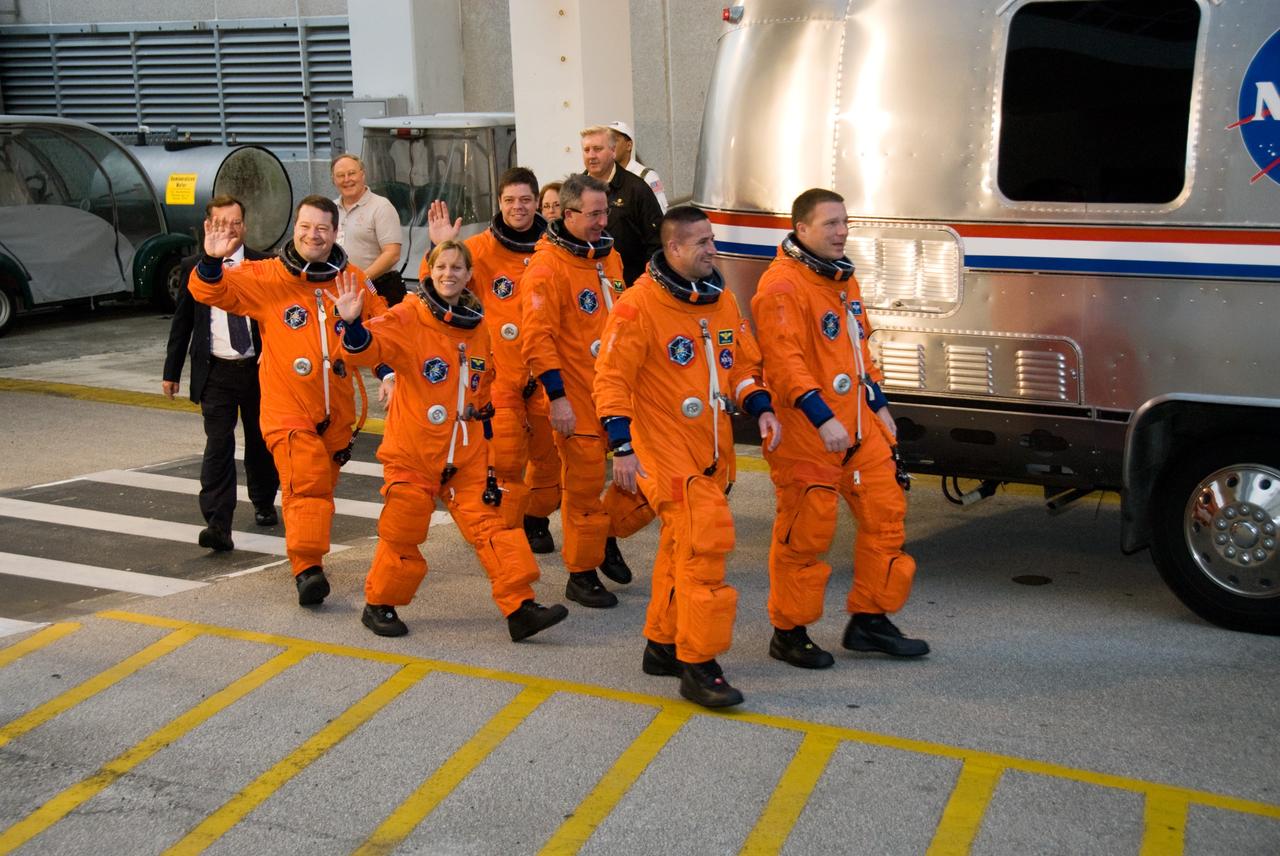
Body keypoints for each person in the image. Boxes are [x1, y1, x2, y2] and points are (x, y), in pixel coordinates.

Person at [334, 240, 569, 641]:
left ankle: (520, 607)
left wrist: (490, 450)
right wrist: (353, 323)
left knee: (493, 528)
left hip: (467, 453)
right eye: (441, 266)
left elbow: (483, 392)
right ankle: (380, 605)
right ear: (430, 271)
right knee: (404, 529)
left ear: (468, 274)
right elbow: (366, 350)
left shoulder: (478, 327)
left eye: (457, 267)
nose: (449, 274)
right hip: (415, 451)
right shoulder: (410, 315)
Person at [594, 206, 781, 708]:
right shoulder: (638, 307)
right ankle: (699, 664)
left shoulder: (719, 302)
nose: (710, 249)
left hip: (710, 447)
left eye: (711, 239)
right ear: (672, 248)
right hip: (662, 446)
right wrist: (623, 448)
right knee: (705, 540)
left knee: (682, 547)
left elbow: (739, 364)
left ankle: (662, 643)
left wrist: (758, 405)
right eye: (699, 242)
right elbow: (611, 380)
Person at [751, 188, 928, 667]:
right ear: (801, 229)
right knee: (806, 531)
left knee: (886, 513)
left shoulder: (842, 280)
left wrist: (878, 403)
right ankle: (789, 631)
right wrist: (822, 416)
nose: (841, 231)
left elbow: (858, 347)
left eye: (844, 222)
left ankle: (870, 619)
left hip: (857, 424)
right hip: (809, 431)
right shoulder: (782, 287)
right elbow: (784, 363)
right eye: (830, 223)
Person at [189, 194, 391, 607]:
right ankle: (307, 569)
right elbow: (213, 292)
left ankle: (309, 555)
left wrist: (386, 372)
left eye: (321, 228)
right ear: (294, 229)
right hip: (288, 409)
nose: (311, 235)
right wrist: (210, 262)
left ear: (336, 233)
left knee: (320, 493)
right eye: (304, 227)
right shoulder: (267, 277)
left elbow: (382, 332)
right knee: (306, 484)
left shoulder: (352, 279)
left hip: (337, 413)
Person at [521, 173, 655, 609]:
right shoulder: (547, 267)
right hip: (575, 397)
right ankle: (580, 574)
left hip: (617, 392)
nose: (603, 221)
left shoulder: (608, 257)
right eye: (595, 214)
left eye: (606, 212)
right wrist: (556, 398)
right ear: (568, 213)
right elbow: (536, 339)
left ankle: (605, 538)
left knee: (640, 480)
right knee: (581, 489)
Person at [422, 168, 564, 555]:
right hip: (500, 374)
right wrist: (440, 247)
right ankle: (508, 530)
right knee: (505, 459)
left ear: (537, 203)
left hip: (547, 371)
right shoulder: (479, 249)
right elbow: (436, 287)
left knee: (551, 459)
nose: (517, 208)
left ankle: (537, 517)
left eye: (525, 200)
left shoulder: (555, 250)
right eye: (509, 201)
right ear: (498, 204)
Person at [163, 194, 279, 552]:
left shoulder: (265, 264)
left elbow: (277, 318)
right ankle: (217, 523)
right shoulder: (194, 266)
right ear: (207, 227)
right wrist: (172, 371)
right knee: (218, 445)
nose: (229, 229)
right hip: (215, 370)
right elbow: (183, 322)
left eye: (235, 223)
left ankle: (262, 501)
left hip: (258, 371)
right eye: (221, 223)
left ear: (244, 226)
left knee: (261, 443)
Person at [580, 125, 662, 287]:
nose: (591, 156)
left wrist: (645, 285)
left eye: (597, 149)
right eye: (586, 150)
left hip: (630, 285)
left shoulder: (637, 189)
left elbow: (656, 243)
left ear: (612, 151)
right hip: (585, 285)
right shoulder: (574, 190)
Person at [332, 153, 405, 305]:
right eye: (340, 175)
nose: (347, 179)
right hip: (340, 289)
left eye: (352, 173)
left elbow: (392, 254)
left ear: (363, 174)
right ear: (334, 180)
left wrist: (362, 279)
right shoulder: (330, 210)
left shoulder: (381, 207)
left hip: (377, 286)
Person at [607, 121, 668, 212]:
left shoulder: (647, 176)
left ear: (629, 145)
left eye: (614, 140)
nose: (609, 145)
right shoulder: (604, 176)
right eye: (607, 141)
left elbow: (660, 212)